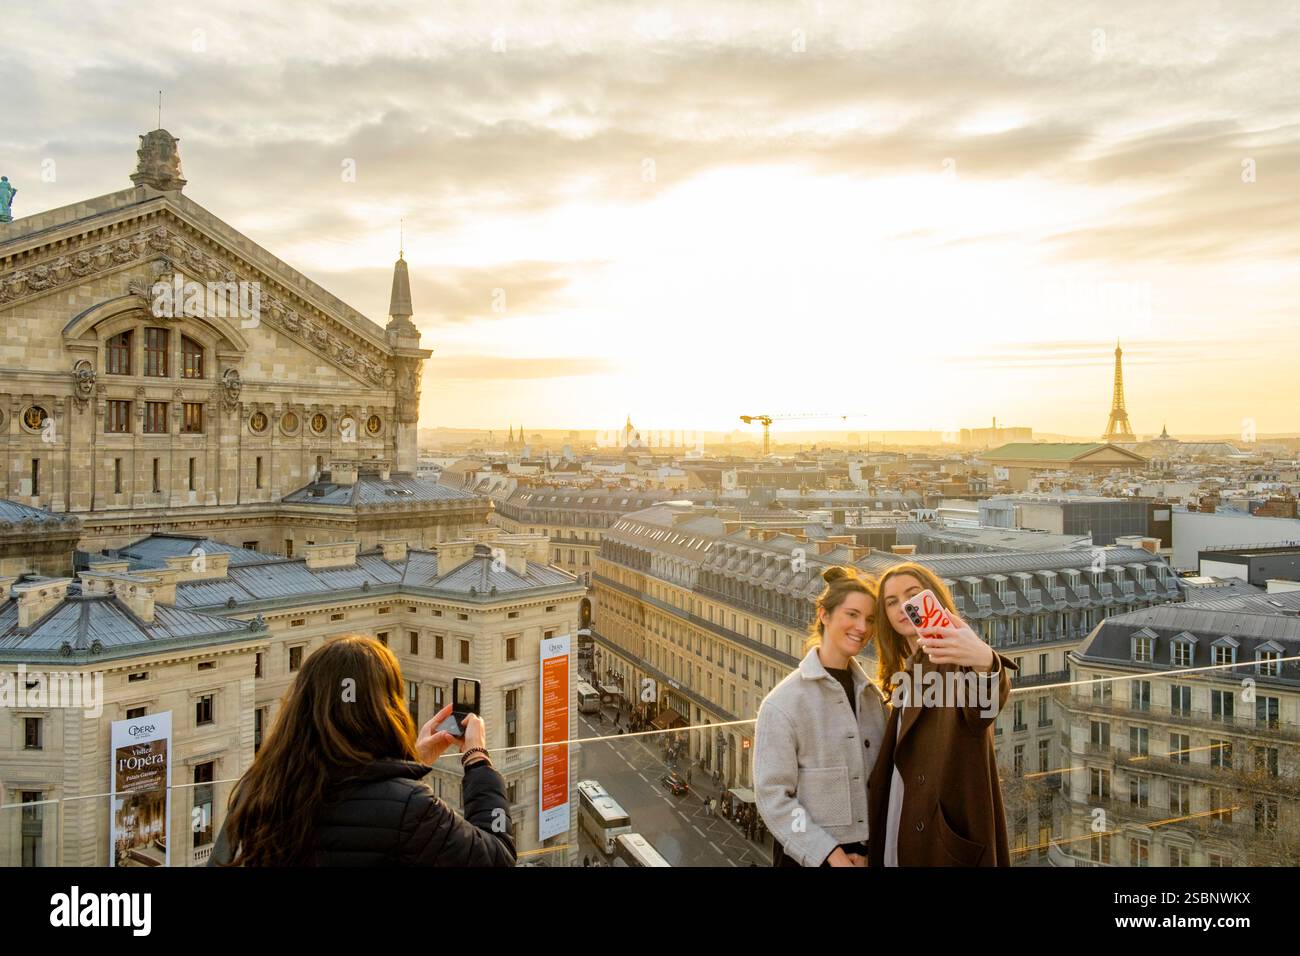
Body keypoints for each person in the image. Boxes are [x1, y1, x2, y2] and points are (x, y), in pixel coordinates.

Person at [209, 635, 515, 866]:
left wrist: (410, 760)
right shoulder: (411, 808)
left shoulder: (258, 789)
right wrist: (477, 759)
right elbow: (497, 856)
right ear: (385, 708)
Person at [867, 563, 1017, 867]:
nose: (903, 608)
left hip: (941, 832)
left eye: (912, 596)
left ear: (934, 599)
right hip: (905, 810)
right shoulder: (909, 667)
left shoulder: (954, 658)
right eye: (892, 602)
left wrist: (985, 662)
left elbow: (982, 708)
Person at [753, 566, 885, 867]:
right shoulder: (783, 703)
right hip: (808, 860)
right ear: (824, 615)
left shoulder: (874, 699)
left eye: (870, 619)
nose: (862, 627)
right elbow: (774, 798)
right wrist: (829, 854)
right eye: (852, 615)